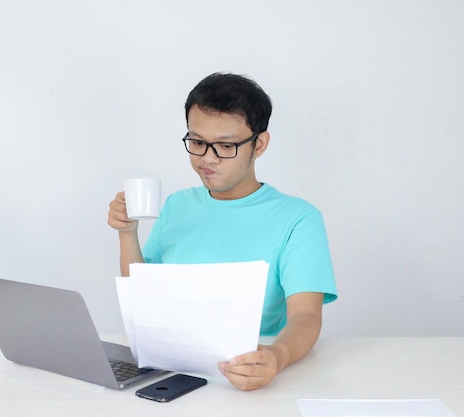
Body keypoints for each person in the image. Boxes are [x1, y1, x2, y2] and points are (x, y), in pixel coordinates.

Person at [107, 72, 337, 391]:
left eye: (226, 146)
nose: (207, 159)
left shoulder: (298, 218)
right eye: (197, 142)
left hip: (244, 375)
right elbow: (140, 299)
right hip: (170, 373)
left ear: (259, 144)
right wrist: (127, 233)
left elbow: (306, 316)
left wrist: (277, 356)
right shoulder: (177, 205)